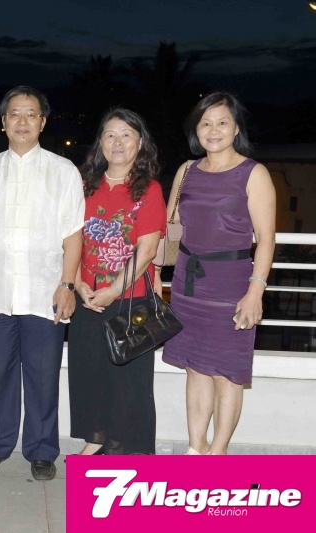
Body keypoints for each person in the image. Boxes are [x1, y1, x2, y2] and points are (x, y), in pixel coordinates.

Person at [0, 87, 83, 481]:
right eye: (15, 114)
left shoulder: (63, 171)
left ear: (43, 122)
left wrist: (67, 284)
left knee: (43, 376)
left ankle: (41, 450)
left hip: (44, 291)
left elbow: (73, 234)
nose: (22, 121)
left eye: (30, 114)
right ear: (3, 122)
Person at [160, 92, 275, 455]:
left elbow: (267, 240)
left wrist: (255, 292)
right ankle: (196, 448)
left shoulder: (253, 173)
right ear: (196, 130)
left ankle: (218, 452)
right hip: (187, 282)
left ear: (236, 128)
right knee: (195, 367)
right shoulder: (186, 171)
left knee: (227, 373)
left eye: (222, 122)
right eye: (205, 123)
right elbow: (170, 229)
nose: (213, 130)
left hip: (232, 285)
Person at [68, 108, 166, 455]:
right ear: (100, 143)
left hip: (129, 300)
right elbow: (70, 239)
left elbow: (147, 249)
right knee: (89, 373)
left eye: (126, 135)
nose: (118, 142)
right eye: (110, 134)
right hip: (87, 296)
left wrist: (112, 290)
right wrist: (77, 283)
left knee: (129, 381)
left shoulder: (148, 189)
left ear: (140, 143)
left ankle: (124, 447)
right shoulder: (84, 186)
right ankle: (95, 439)